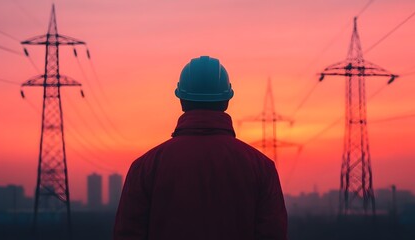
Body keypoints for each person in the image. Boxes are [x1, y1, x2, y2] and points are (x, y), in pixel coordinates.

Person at [114, 56, 288, 240]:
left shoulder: (145, 167)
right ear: (226, 101)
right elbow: (273, 233)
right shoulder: (261, 167)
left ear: (181, 100)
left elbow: (127, 234)